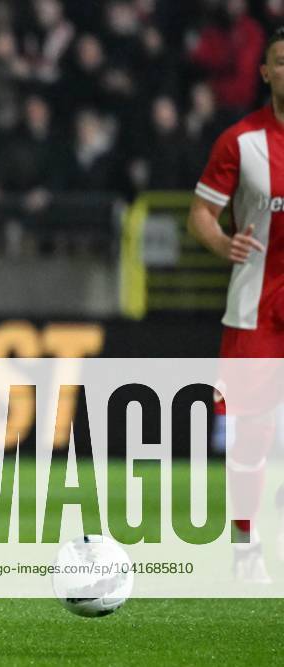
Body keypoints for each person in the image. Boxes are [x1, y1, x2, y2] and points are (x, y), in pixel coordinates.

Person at [187, 27, 284, 584]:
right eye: (280, 61)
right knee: (252, 433)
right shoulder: (241, 142)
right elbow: (201, 213)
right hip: (255, 310)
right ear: (266, 72)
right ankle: (245, 547)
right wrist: (223, 242)